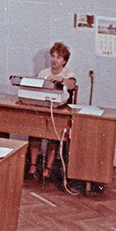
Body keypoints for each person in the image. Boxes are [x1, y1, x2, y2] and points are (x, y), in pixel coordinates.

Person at [27, 42, 77, 180]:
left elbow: (72, 84)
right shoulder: (43, 73)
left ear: (64, 61)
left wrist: (62, 80)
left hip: (59, 113)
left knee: (54, 137)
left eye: (59, 58)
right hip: (43, 110)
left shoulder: (68, 72)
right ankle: (33, 166)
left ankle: (48, 169)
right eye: (53, 56)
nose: (55, 60)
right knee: (34, 133)